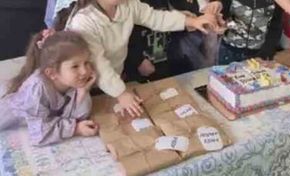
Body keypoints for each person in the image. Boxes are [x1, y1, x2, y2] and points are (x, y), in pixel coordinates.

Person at [55, 0, 221, 117]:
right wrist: (121, 93)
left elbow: (156, 18)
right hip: (85, 87)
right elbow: (98, 65)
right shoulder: (84, 21)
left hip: (113, 81)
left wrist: (192, 21)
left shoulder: (128, 5)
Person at [0, 30, 99, 146]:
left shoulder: (71, 82)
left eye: (86, 62)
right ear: (52, 73)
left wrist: (83, 91)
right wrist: (75, 129)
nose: (85, 71)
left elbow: (76, 116)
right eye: (75, 66)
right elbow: (40, 134)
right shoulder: (37, 89)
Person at [216, 0, 290, 65]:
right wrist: (218, 23)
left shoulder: (278, 3)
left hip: (261, 53)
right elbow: (221, 16)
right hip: (229, 50)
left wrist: (268, 52)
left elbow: (275, 25)